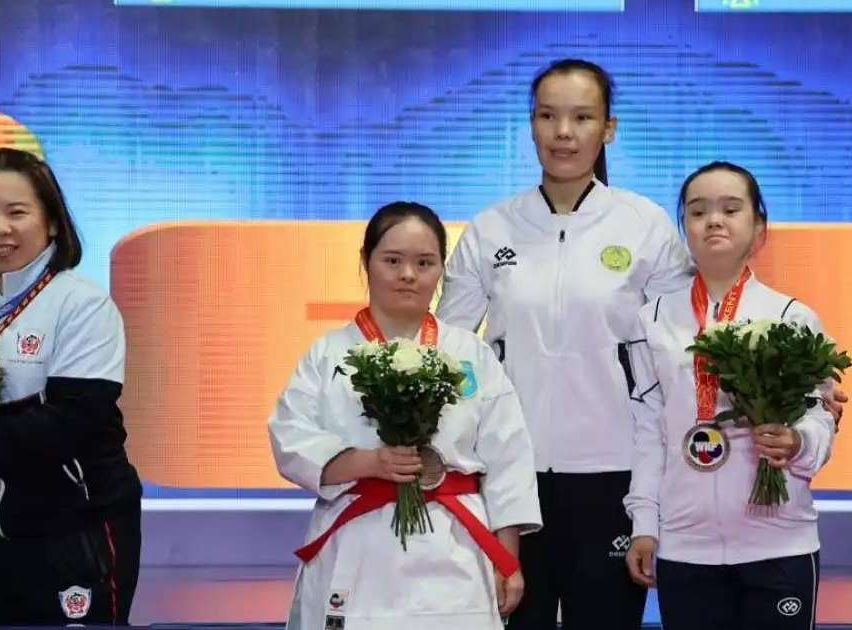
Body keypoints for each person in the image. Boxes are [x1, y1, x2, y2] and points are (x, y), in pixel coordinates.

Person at [436, 58, 692, 630]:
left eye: (582, 117)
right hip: (510, 475)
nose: (563, 133)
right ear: (531, 125)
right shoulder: (491, 229)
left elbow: (680, 352)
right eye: (548, 116)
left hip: (612, 473)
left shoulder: (645, 226)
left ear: (609, 128)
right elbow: (449, 352)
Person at [269, 201, 541, 630]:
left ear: (441, 270)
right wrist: (369, 462)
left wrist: (507, 560)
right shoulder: (328, 353)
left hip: (454, 546)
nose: (408, 274)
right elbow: (290, 437)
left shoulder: (470, 353)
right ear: (366, 261)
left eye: (424, 263)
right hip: (358, 543)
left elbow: (508, 458)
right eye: (392, 260)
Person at [623, 161, 835, 630]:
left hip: (779, 543)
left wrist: (797, 443)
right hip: (685, 546)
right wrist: (645, 525)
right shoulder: (651, 319)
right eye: (698, 212)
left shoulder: (792, 317)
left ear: (759, 227)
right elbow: (649, 431)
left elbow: (820, 416)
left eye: (731, 209)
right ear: (685, 229)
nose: (713, 221)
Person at [0, 147, 142, 625]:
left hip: (75, 533)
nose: (0, 229)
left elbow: (75, 420)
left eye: (17, 213)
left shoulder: (81, 303)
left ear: (52, 222)